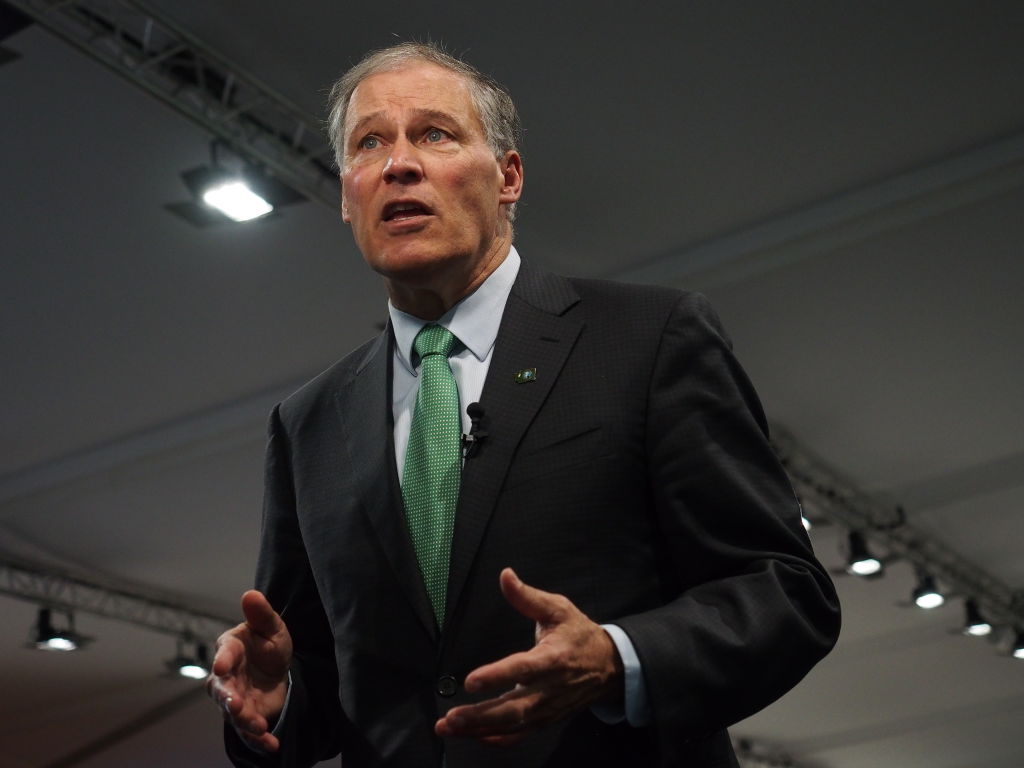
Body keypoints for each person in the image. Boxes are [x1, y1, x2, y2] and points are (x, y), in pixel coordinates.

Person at [206, 42, 841, 768]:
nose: (398, 164)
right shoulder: (307, 423)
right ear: (348, 198)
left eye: (435, 134)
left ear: (508, 177)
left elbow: (783, 591)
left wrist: (618, 658)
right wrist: (278, 698)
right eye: (369, 144)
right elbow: (322, 677)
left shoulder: (647, 339)